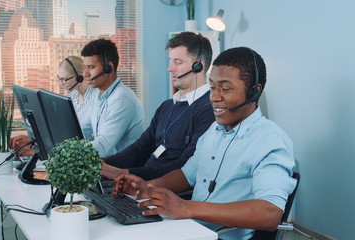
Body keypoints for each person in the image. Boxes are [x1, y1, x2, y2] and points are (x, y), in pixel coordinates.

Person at [112, 47, 297, 240]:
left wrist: (186, 207)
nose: (214, 97)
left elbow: (270, 213)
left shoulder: (270, 140)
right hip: (189, 230)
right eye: (212, 87)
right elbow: (187, 175)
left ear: (253, 92)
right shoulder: (214, 131)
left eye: (225, 89)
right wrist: (146, 187)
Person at [101, 32, 215, 181]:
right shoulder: (167, 106)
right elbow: (140, 149)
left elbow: (185, 167)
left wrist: (124, 174)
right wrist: (104, 163)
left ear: (199, 66)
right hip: (141, 183)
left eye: (178, 62)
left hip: (167, 190)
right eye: (170, 61)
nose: (170, 68)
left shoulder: (209, 110)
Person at [10, 56, 98, 156]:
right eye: (59, 79)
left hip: (83, 155)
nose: (62, 84)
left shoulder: (96, 99)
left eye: (65, 79)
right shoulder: (73, 96)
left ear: (80, 76)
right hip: (69, 151)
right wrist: (31, 140)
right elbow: (61, 131)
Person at [81, 38, 144, 157]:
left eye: (91, 67)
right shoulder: (97, 95)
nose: (85, 73)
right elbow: (83, 129)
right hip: (107, 166)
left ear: (108, 68)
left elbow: (102, 147)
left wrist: (66, 153)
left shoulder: (121, 99)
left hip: (122, 170)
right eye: (85, 67)